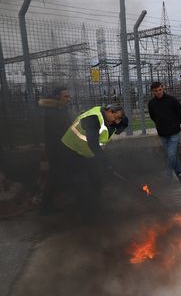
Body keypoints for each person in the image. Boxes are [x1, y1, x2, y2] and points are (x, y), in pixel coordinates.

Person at [61, 104, 128, 214]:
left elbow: (100, 142)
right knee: (82, 181)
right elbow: (93, 144)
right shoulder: (94, 118)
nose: (116, 122)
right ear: (110, 111)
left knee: (96, 179)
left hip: (87, 153)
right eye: (116, 118)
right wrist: (106, 162)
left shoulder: (110, 120)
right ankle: (85, 212)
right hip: (71, 149)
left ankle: (94, 208)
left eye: (119, 121)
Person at [38, 86, 72, 214]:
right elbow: (60, 131)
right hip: (57, 148)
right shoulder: (53, 112)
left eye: (69, 96)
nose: (69, 99)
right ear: (57, 97)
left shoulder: (60, 109)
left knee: (62, 174)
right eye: (66, 96)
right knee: (55, 176)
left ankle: (56, 200)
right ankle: (45, 206)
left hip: (63, 147)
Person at [148, 82, 181, 183]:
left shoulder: (172, 100)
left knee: (171, 154)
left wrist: (175, 124)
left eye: (160, 90)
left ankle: (168, 176)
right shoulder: (151, 103)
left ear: (163, 88)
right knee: (172, 155)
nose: (158, 92)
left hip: (174, 132)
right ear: (153, 92)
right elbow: (153, 116)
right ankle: (180, 174)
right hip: (162, 134)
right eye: (156, 91)